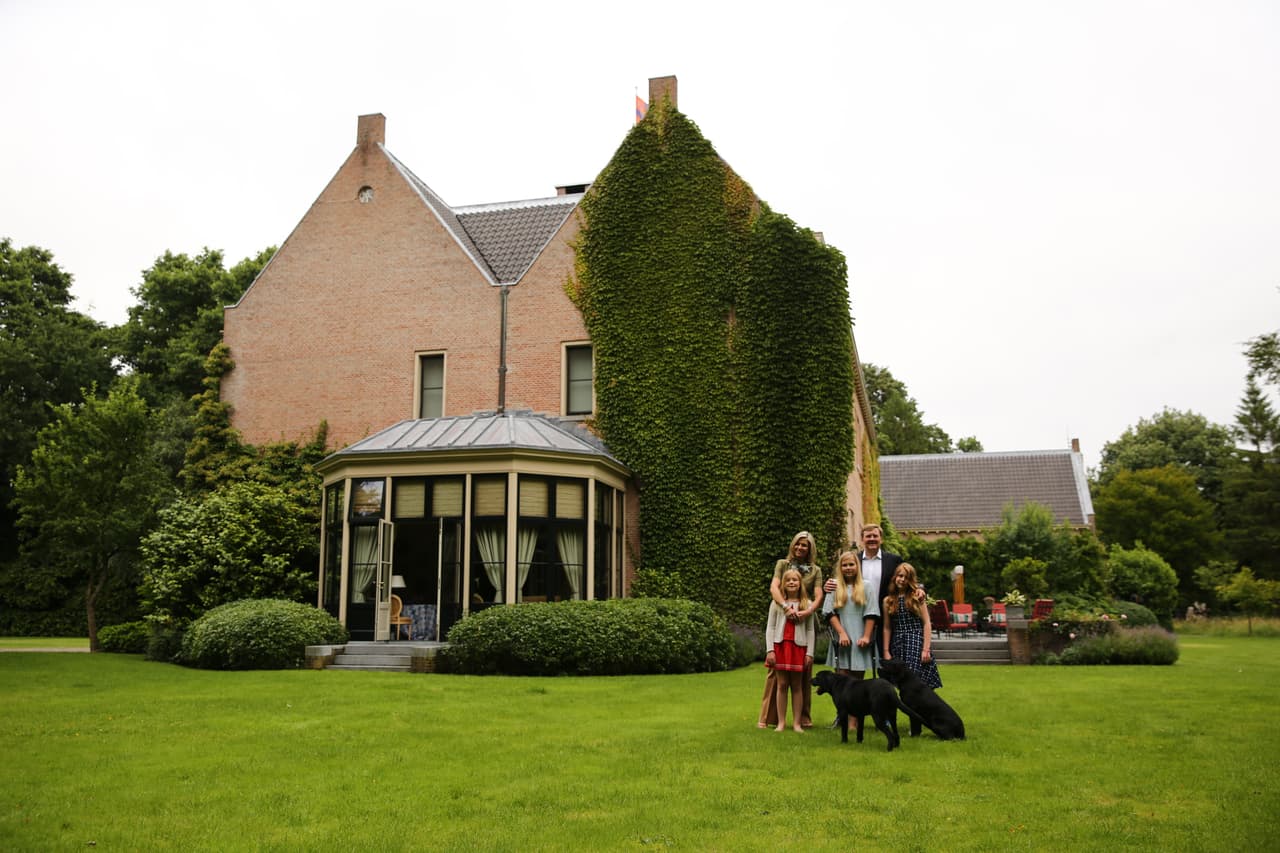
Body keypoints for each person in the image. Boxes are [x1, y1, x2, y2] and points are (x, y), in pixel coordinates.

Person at [823, 523, 920, 663]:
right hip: (856, 617)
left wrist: (920, 589)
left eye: (875, 536)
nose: (872, 539)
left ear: (881, 538)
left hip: (887, 615)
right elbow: (841, 580)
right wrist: (827, 585)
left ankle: (886, 685)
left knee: (887, 660)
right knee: (855, 659)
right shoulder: (853, 560)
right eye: (868, 536)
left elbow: (908, 576)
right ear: (862, 539)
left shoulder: (893, 560)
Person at [758, 531, 824, 728]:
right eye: (797, 544)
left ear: (810, 548)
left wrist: (808, 610)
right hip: (783, 616)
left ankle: (802, 718)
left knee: (802, 676)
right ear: (792, 545)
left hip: (804, 620)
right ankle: (770, 718)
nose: (800, 548)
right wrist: (785, 607)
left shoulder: (816, 570)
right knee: (777, 679)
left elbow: (819, 594)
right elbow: (774, 588)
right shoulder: (782, 564)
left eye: (805, 545)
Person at [764, 568, 814, 732]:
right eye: (788, 580)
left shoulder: (807, 605)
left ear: (800, 584)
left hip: (799, 648)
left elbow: (810, 630)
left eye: (795, 580)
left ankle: (797, 724)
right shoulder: (776, 603)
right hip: (780, 646)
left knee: (797, 685)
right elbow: (770, 628)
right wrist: (770, 650)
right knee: (782, 684)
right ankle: (781, 722)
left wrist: (810, 652)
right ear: (783, 585)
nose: (792, 582)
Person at [881, 562, 942, 689]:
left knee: (918, 683)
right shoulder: (888, 601)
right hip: (898, 643)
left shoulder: (917, 597)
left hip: (916, 642)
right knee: (902, 685)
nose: (902, 580)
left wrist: (926, 649)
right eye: (900, 576)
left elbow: (926, 623)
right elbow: (887, 627)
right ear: (895, 577)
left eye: (906, 577)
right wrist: (886, 651)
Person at [822, 551, 879, 678]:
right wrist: (841, 633)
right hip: (842, 638)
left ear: (857, 566)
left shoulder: (867, 586)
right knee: (842, 681)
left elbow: (871, 613)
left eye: (851, 564)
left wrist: (866, 636)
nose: (848, 568)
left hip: (859, 637)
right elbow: (829, 612)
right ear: (840, 568)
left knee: (857, 682)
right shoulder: (834, 585)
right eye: (845, 565)